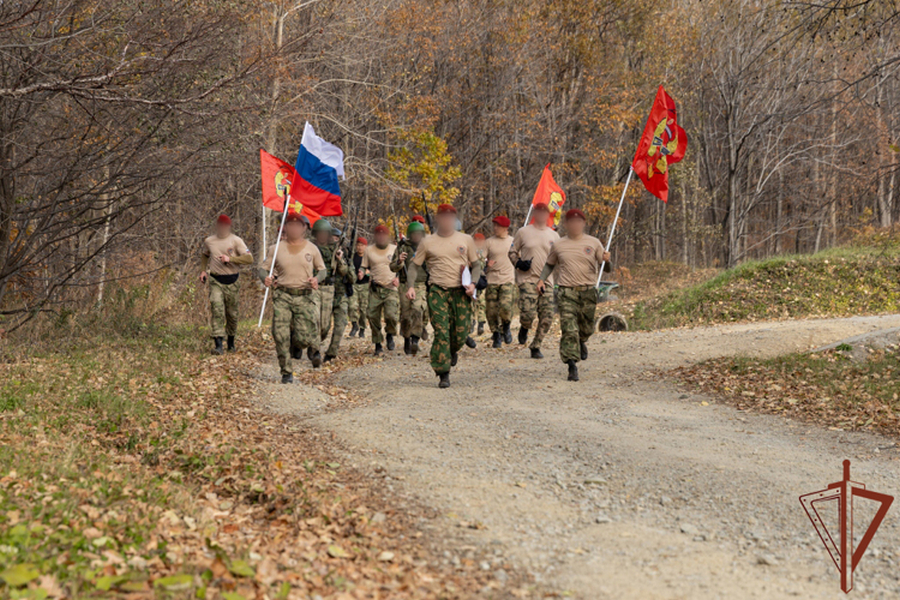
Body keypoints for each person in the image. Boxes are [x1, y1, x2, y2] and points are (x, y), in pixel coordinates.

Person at [406, 204, 482, 388]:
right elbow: (414, 266)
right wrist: (410, 286)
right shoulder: (427, 242)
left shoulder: (466, 239)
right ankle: (443, 372)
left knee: (461, 333)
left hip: (461, 292)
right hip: (437, 291)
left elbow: (477, 265)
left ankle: (452, 350)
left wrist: (473, 284)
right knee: (441, 332)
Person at [537, 209, 610, 382]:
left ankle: (582, 341)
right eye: (572, 222)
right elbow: (549, 265)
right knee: (569, 329)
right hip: (566, 291)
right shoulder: (559, 244)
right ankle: (571, 365)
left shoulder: (593, 243)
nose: (575, 225)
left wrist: (607, 260)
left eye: (579, 222)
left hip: (588, 291)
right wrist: (541, 280)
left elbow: (605, 268)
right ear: (567, 224)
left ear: (583, 224)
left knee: (586, 328)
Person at [260, 213, 327, 383]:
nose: (294, 228)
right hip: (283, 296)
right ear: (286, 227)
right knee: (280, 334)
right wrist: (265, 278)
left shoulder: (311, 248)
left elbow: (322, 270)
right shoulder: (275, 248)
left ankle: (299, 345)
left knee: (304, 338)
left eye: (298, 226)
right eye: (290, 225)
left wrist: (316, 279)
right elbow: (263, 268)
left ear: (304, 228)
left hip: (304, 296)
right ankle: (286, 371)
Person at [509, 202, 560, 359]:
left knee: (547, 316)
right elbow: (512, 251)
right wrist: (518, 263)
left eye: (545, 212)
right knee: (528, 314)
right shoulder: (523, 232)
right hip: (527, 279)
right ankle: (525, 327)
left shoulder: (554, 235)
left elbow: (560, 257)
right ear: (534, 214)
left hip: (547, 281)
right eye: (539, 211)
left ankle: (536, 345)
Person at [200, 214, 253, 355]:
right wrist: (203, 271)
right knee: (216, 308)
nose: (222, 228)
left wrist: (231, 259)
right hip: (216, 280)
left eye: (225, 225)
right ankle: (218, 344)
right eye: (220, 225)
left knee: (232, 314)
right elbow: (205, 255)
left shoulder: (236, 241)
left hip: (232, 281)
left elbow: (249, 258)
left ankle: (231, 341)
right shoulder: (209, 241)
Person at [311, 219, 350, 362]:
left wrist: (340, 259)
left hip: (332, 291)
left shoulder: (338, 251)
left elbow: (346, 272)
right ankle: (315, 352)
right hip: (315, 288)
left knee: (326, 326)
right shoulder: (310, 247)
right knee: (315, 320)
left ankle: (328, 351)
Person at [360, 225, 399, 356]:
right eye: (378, 234)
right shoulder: (369, 250)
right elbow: (363, 266)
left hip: (391, 288)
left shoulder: (395, 249)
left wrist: (398, 278)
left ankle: (390, 334)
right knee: (373, 317)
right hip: (375, 289)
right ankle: (378, 344)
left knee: (391, 316)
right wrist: (360, 272)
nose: (381, 237)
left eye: (384, 234)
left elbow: (402, 268)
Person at [392, 221, 428, 356]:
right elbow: (392, 267)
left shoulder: (426, 247)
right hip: (404, 284)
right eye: (414, 234)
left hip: (421, 284)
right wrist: (399, 261)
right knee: (406, 315)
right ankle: (407, 337)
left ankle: (415, 339)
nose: (417, 236)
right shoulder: (402, 248)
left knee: (418, 310)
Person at [483, 216, 516, 348]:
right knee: (491, 311)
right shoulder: (489, 242)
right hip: (491, 280)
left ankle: (506, 327)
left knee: (505, 307)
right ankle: (496, 334)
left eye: (498, 226)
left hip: (507, 279)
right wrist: (486, 264)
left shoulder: (513, 242)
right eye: (494, 225)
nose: (495, 228)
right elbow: (480, 259)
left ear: (505, 228)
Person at [349, 237, 369, 338]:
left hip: (365, 285)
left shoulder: (368, 257)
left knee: (363, 309)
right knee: (352, 306)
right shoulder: (353, 257)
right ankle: (354, 325)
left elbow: (375, 270)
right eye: (358, 245)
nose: (359, 247)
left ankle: (362, 329)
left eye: (362, 245)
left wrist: (366, 273)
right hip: (354, 284)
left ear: (366, 247)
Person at [472, 233, 488, 336]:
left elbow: (487, 265)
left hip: (482, 279)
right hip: (472, 279)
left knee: (481, 302)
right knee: (472, 302)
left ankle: (481, 324)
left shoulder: (485, 252)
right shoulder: (471, 251)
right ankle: (472, 322)